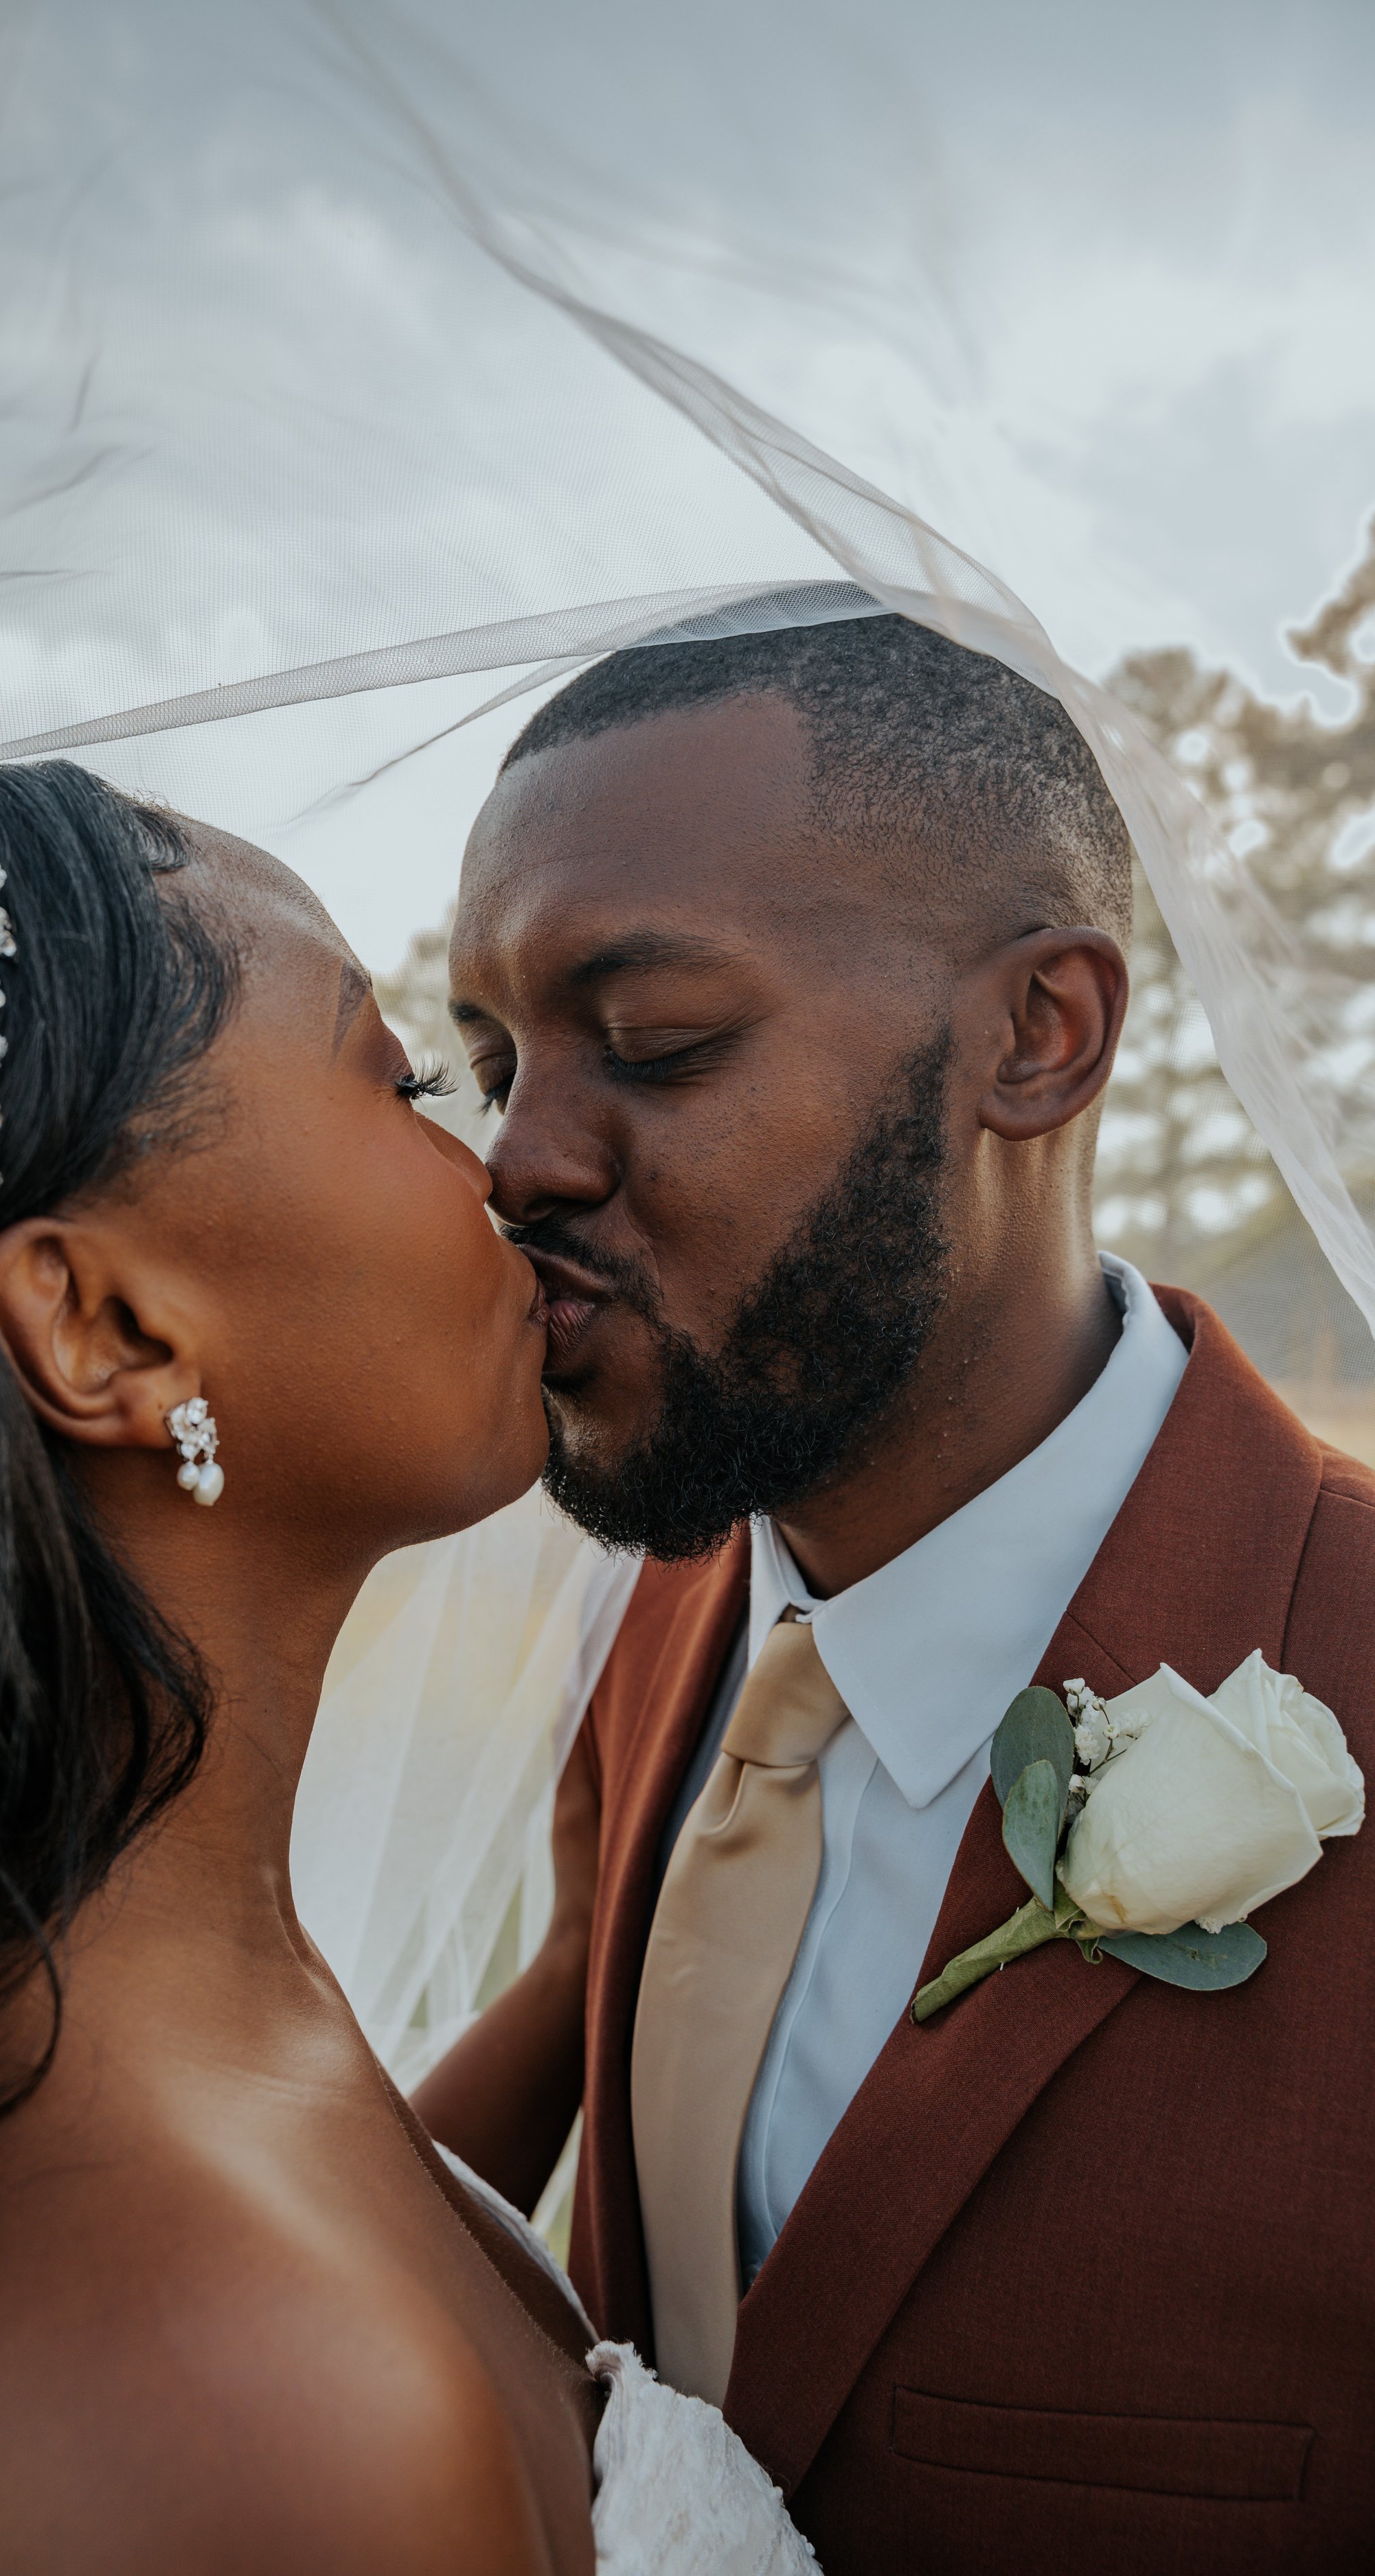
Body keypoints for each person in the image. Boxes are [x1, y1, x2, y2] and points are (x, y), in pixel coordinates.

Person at [0, 745, 817, 2574]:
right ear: (104, 1326)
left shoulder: (104, 1978)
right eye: (404, 1079)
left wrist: (574, 1977)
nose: (508, 1169)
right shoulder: (261, 2418)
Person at [418, 616, 1375, 2572]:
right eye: (489, 1062)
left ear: (1039, 1039)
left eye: (655, 1040)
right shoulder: (657, 1622)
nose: (507, 1159)